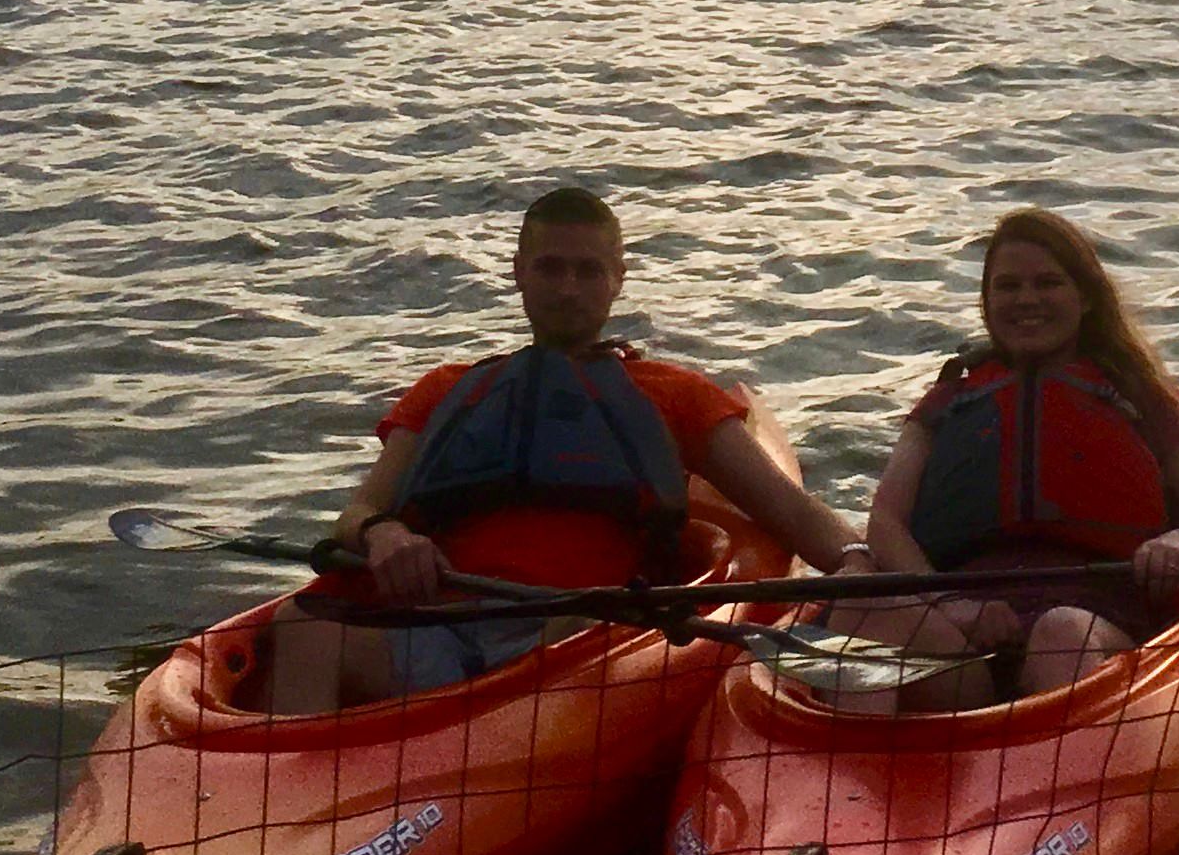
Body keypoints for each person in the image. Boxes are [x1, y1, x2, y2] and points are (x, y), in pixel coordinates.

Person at [264, 184, 868, 712]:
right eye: (550, 269)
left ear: (618, 280)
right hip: (441, 631)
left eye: (588, 271)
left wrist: (865, 565)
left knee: (569, 627)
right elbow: (358, 512)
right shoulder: (447, 390)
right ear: (519, 273)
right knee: (301, 627)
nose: (569, 289)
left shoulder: (674, 394)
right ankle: (297, 811)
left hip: (575, 640)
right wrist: (384, 534)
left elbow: (790, 511)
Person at [861, 208, 1179, 706]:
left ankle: (1057, 770)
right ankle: (859, 772)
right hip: (967, 619)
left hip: (1097, 619)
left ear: (1085, 299)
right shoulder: (949, 401)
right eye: (1008, 287)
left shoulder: (1137, 398)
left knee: (1061, 633)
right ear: (987, 301)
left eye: (1048, 283)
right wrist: (951, 606)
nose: (1027, 300)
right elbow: (886, 523)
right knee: (860, 611)